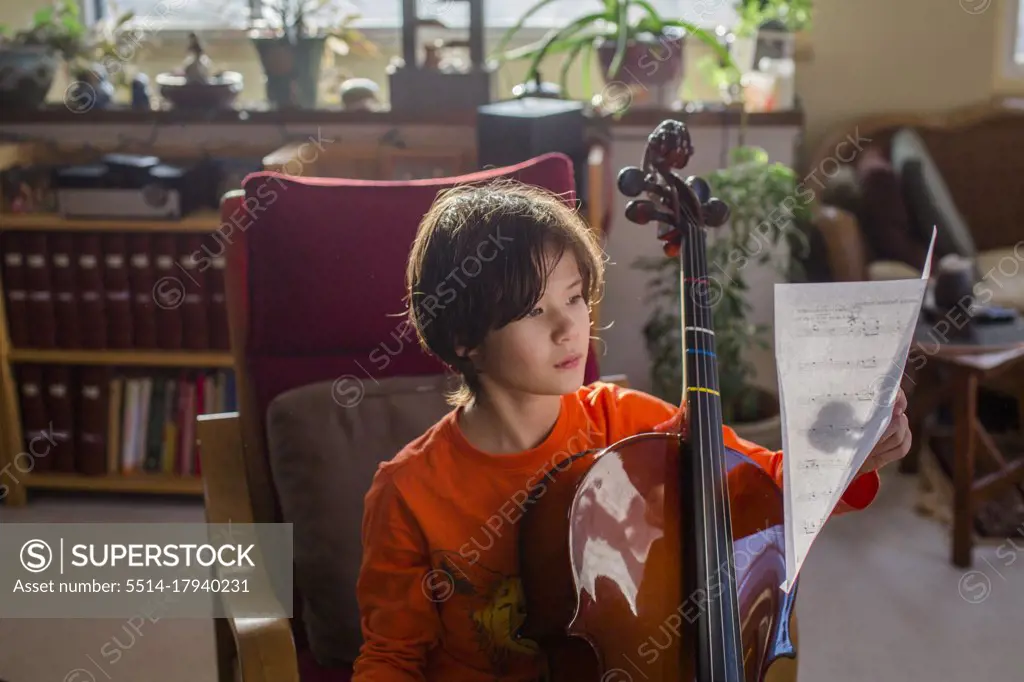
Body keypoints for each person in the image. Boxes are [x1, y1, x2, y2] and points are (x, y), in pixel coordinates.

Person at [351, 181, 912, 682]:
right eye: (533, 310)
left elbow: (762, 487)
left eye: (574, 297)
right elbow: (394, 656)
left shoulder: (632, 427)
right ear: (463, 339)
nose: (569, 327)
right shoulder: (406, 492)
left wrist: (850, 457)